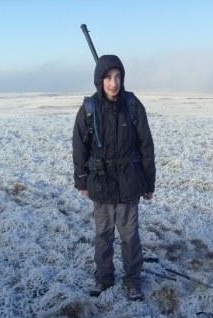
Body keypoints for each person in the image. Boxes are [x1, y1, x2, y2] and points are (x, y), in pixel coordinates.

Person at [72, 55, 155, 301]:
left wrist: (149, 183)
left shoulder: (132, 105)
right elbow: (79, 146)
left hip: (129, 182)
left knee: (130, 236)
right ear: (100, 80)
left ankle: (132, 281)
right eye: (108, 77)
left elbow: (146, 146)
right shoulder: (89, 108)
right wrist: (82, 180)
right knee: (103, 235)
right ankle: (104, 277)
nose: (113, 83)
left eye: (118, 77)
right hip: (101, 182)